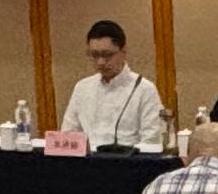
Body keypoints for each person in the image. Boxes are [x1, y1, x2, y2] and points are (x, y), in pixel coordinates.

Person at [60, 19, 168, 147]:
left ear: (123, 51)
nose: (100, 62)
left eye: (107, 55)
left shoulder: (144, 89)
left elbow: (151, 141)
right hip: (89, 158)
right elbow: (68, 136)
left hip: (128, 157)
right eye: (94, 55)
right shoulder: (82, 88)